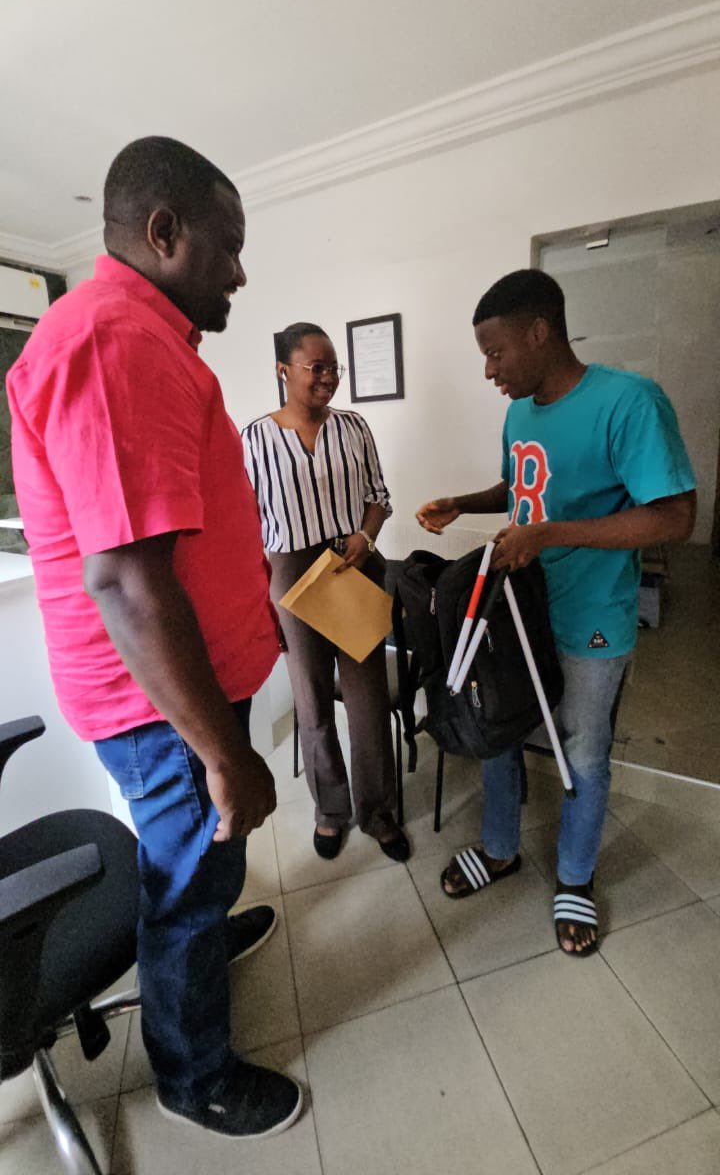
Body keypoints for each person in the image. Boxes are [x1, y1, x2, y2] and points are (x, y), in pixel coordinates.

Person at [6, 137, 303, 1138]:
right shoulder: (112, 341)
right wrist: (224, 750)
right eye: (227, 245)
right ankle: (194, 1071)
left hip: (182, 692)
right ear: (164, 232)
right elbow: (129, 584)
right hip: (164, 707)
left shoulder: (137, 334)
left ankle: (210, 933)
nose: (239, 270)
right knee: (186, 880)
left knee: (203, 867)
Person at [416, 268, 695, 957]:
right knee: (501, 724)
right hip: (521, 609)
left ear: (539, 333)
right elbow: (521, 487)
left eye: (496, 352)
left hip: (593, 614)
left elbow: (676, 517)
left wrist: (552, 535)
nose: (489, 370)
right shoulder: (519, 411)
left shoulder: (629, 402)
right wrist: (466, 502)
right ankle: (502, 847)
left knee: (584, 748)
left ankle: (575, 877)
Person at [242, 323, 409, 862]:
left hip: (349, 565)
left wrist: (365, 535)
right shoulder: (254, 439)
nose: (329, 377)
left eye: (335, 366)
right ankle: (330, 811)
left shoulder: (354, 427)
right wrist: (262, 600)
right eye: (316, 367)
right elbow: (248, 524)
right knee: (311, 702)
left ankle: (378, 812)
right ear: (282, 371)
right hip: (289, 575)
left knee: (367, 704)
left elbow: (379, 496)